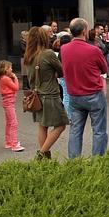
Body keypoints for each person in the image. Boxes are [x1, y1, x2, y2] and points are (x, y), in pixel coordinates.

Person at [61, 18, 109, 158]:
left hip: (74, 95)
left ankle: (74, 161)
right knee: (99, 130)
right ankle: (98, 160)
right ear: (84, 31)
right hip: (93, 93)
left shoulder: (64, 49)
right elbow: (104, 68)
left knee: (75, 130)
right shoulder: (94, 50)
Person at [24, 26, 69, 160]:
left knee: (42, 126)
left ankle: (45, 157)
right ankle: (42, 153)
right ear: (44, 38)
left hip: (36, 95)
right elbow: (62, 71)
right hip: (50, 95)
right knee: (61, 125)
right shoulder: (48, 54)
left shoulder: (28, 56)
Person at [0, 60, 25, 152]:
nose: (11, 69)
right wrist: (15, 78)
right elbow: (16, 88)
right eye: (10, 67)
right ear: (5, 69)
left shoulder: (2, 77)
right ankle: (14, 144)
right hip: (9, 102)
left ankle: (8, 142)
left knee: (9, 122)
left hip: (7, 102)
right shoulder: (6, 78)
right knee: (14, 122)